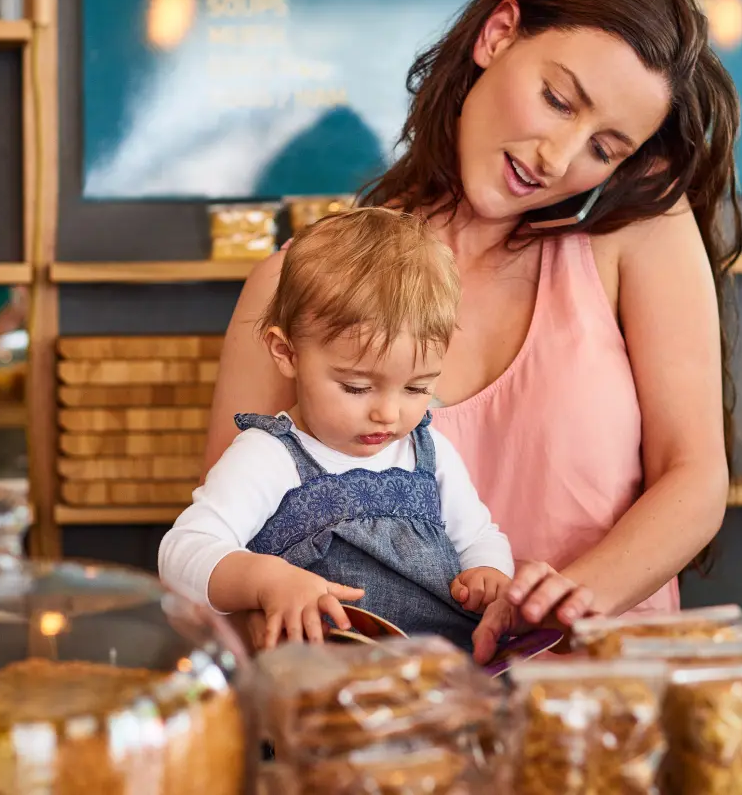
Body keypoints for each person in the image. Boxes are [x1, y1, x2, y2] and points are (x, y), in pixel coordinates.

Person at [203, 0, 741, 663]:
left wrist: (556, 608)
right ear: (498, 35)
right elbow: (221, 561)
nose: (557, 157)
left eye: (603, 148)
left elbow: (696, 478)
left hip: (604, 700)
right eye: (558, 99)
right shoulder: (291, 287)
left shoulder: (638, 232)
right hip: (388, 725)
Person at [159, 208, 514, 653]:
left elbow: (480, 536)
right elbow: (181, 552)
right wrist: (266, 582)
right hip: (325, 683)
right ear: (286, 352)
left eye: (416, 387)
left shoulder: (430, 453)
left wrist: (489, 574)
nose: (388, 414)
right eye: (356, 386)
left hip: (440, 677)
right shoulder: (269, 456)